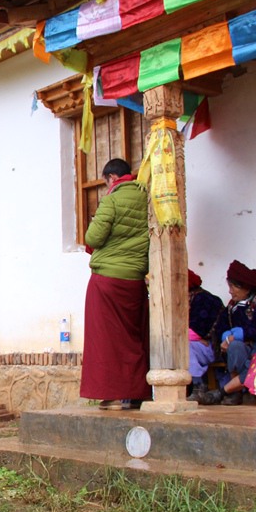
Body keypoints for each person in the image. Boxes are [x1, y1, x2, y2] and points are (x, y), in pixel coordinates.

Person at [80, 158, 151, 411]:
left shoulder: (111, 200)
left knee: (105, 340)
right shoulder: (148, 198)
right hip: (134, 280)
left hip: (107, 280)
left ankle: (109, 396)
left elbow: (93, 237)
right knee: (133, 338)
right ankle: (136, 393)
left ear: (111, 178)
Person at [197, 260, 256, 406]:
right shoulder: (233, 306)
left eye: (233, 287)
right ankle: (236, 392)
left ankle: (225, 391)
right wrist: (227, 338)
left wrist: (235, 335)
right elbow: (221, 327)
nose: (230, 291)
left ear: (246, 287)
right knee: (235, 347)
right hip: (249, 348)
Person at [186, 269, 224, 401]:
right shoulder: (186, 298)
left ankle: (198, 385)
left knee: (184, 346)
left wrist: (183, 336)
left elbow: (196, 332)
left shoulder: (205, 300)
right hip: (198, 345)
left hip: (212, 348)